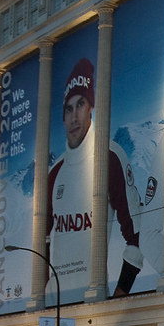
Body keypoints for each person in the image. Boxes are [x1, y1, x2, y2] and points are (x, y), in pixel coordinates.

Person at [48, 57, 143, 301]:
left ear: (91, 107)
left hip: (95, 302)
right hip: (54, 309)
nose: (74, 117)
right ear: (63, 116)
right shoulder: (54, 172)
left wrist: (120, 294)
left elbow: (137, 233)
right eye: (68, 109)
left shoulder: (110, 157)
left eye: (80, 104)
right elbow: (41, 243)